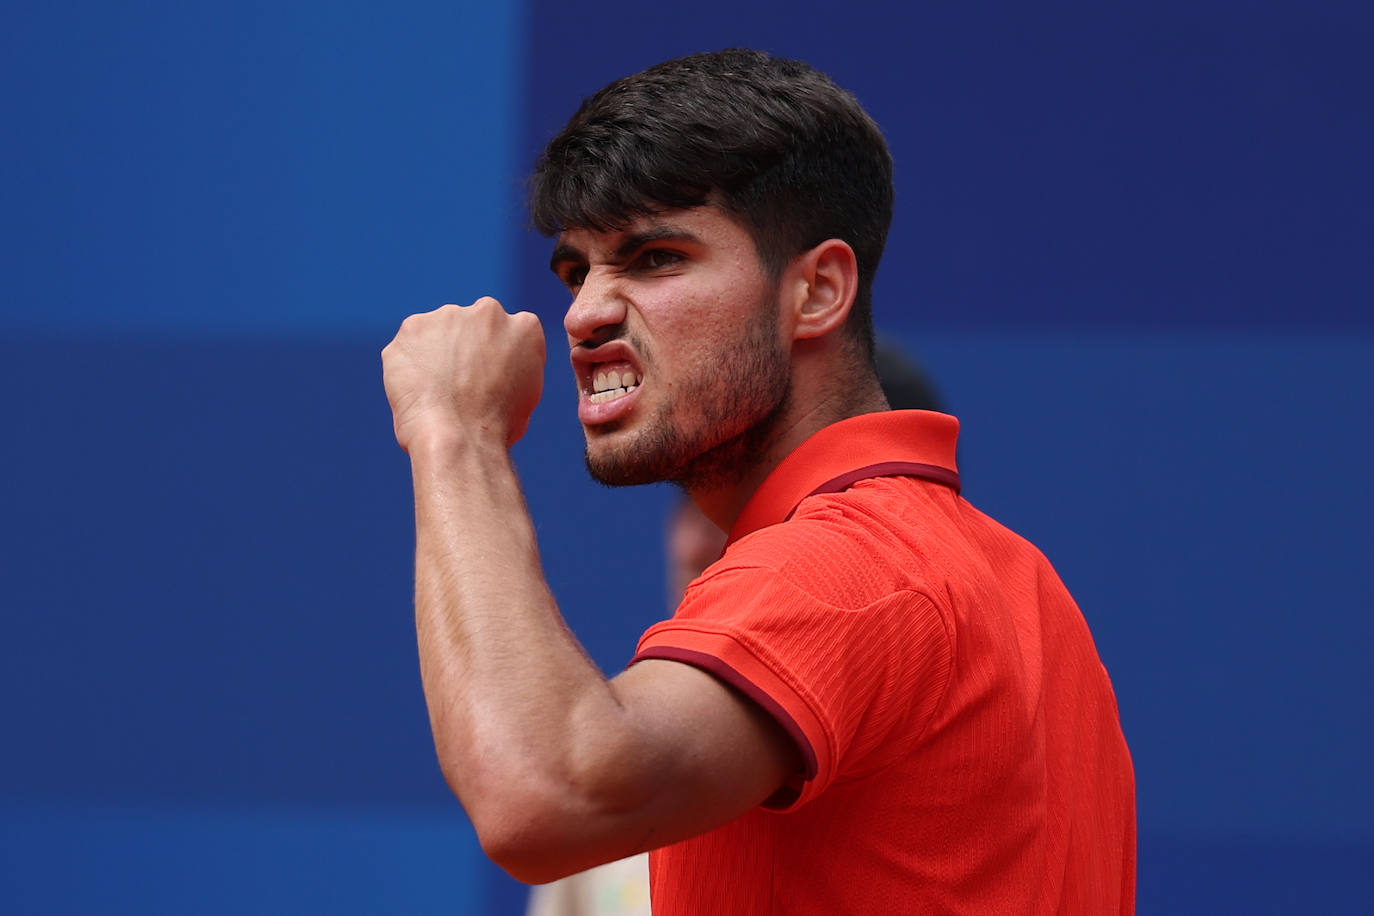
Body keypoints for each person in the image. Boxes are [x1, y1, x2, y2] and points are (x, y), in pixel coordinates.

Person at [381, 48, 1135, 915]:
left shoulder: (846, 569)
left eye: (655, 257)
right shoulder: (1018, 582)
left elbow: (544, 794)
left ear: (817, 291)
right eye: (576, 270)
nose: (586, 312)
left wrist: (457, 435)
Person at [525, 340, 947, 916]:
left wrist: (455, 442)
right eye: (690, 500)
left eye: (764, 502)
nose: (696, 542)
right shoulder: (623, 755)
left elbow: (532, 804)